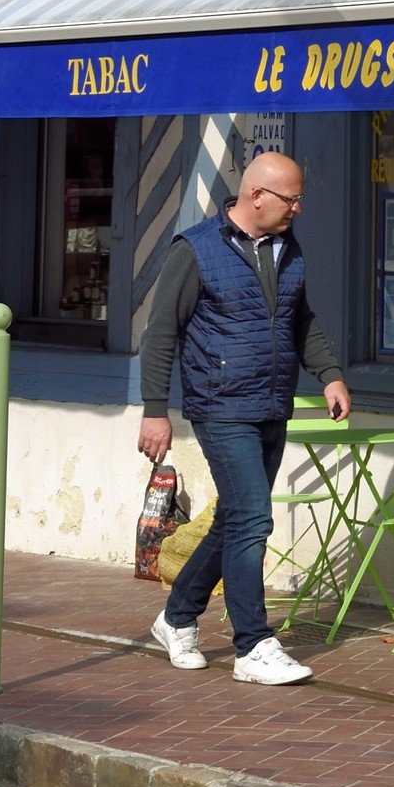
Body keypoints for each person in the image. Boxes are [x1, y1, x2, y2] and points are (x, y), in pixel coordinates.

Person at [138, 150, 350, 685]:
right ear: (257, 196)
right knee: (255, 517)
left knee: (236, 517)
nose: (298, 208)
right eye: (291, 199)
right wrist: (155, 411)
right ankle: (253, 644)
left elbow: (301, 319)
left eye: (301, 198)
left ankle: (177, 617)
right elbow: (161, 333)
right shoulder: (196, 250)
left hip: (272, 402)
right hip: (221, 405)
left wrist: (329, 373)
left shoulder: (287, 249)